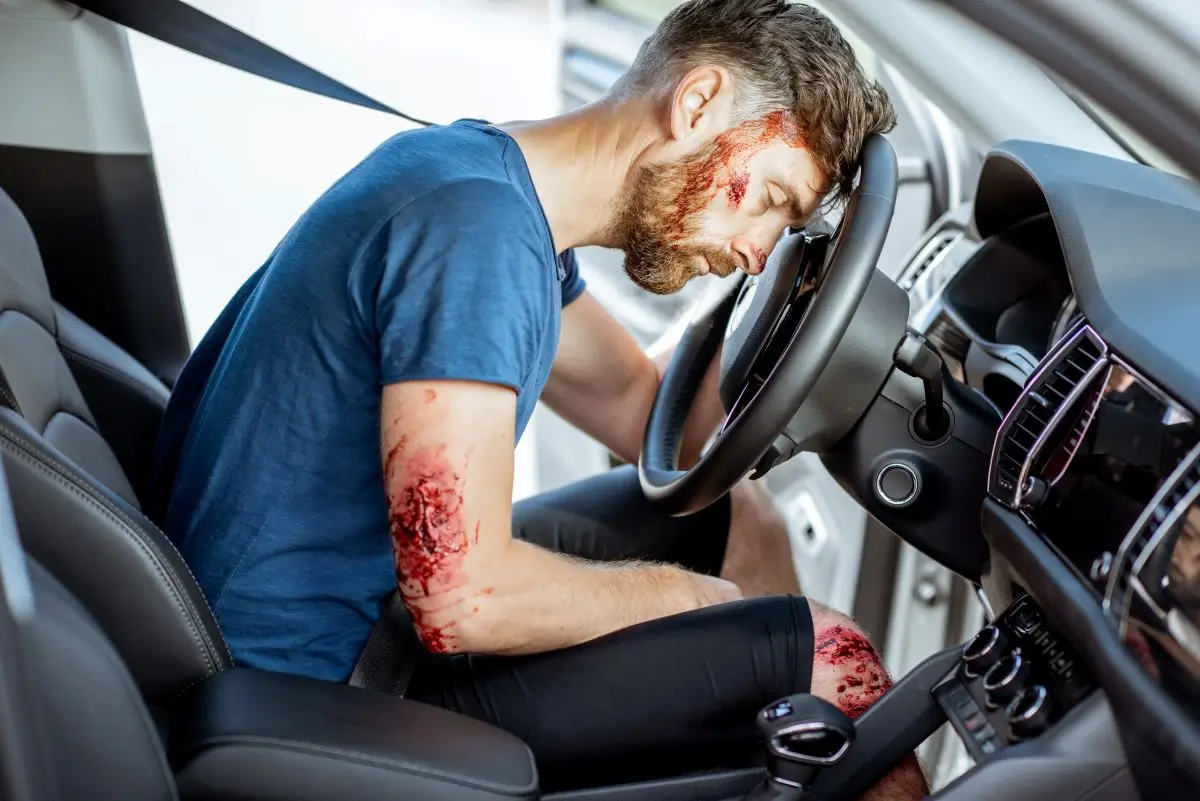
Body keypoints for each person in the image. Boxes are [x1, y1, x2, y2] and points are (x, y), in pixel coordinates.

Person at [150, 0, 925, 796]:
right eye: (769, 200)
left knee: (741, 513)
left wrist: (798, 323)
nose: (758, 255)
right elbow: (464, 599)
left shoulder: (482, 185)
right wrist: (691, 598)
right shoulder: (476, 242)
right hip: (322, 678)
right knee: (839, 659)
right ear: (696, 105)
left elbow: (641, 404)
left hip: (358, 607)